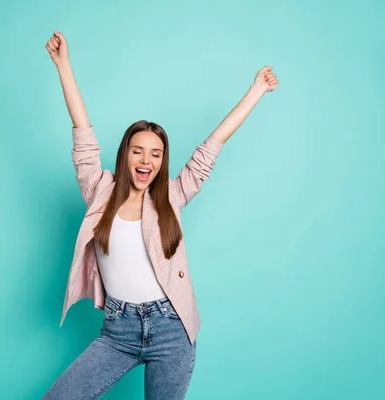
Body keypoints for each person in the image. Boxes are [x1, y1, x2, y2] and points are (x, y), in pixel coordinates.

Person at [42, 30, 279, 400]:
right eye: (138, 151)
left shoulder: (170, 195)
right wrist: (63, 66)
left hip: (172, 329)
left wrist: (256, 91)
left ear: (161, 161)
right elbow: (83, 135)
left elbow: (211, 147)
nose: (146, 160)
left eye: (155, 154)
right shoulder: (99, 190)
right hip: (117, 331)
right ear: (125, 155)